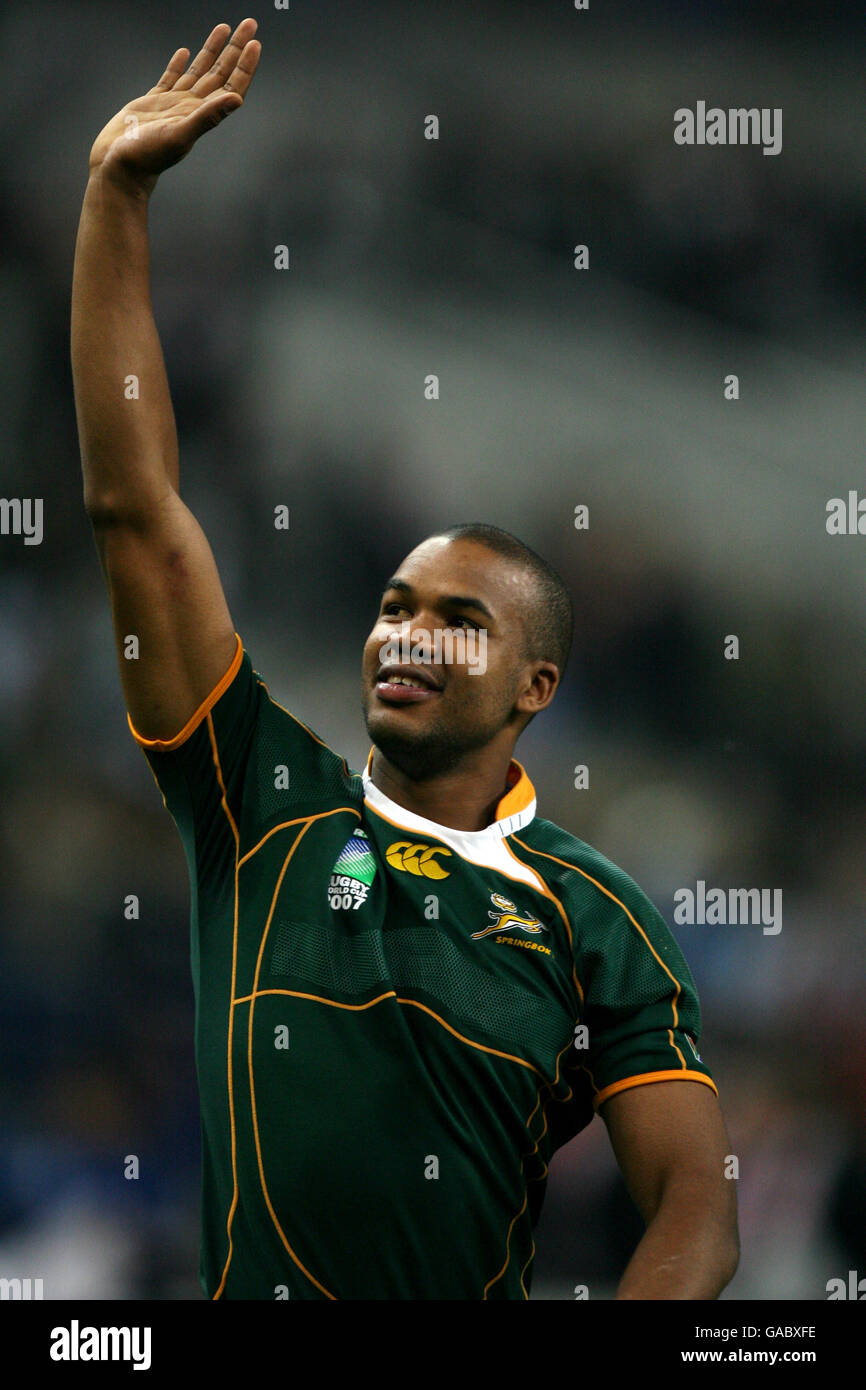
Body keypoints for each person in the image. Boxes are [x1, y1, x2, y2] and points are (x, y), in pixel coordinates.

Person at [71, 17, 739, 1300]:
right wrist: (117, 198)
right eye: (392, 601)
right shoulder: (258, 800)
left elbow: (691, 1216)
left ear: (537, 688)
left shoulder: (595, 916)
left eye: (459, 617)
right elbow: (137, 514)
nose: (405, 630)